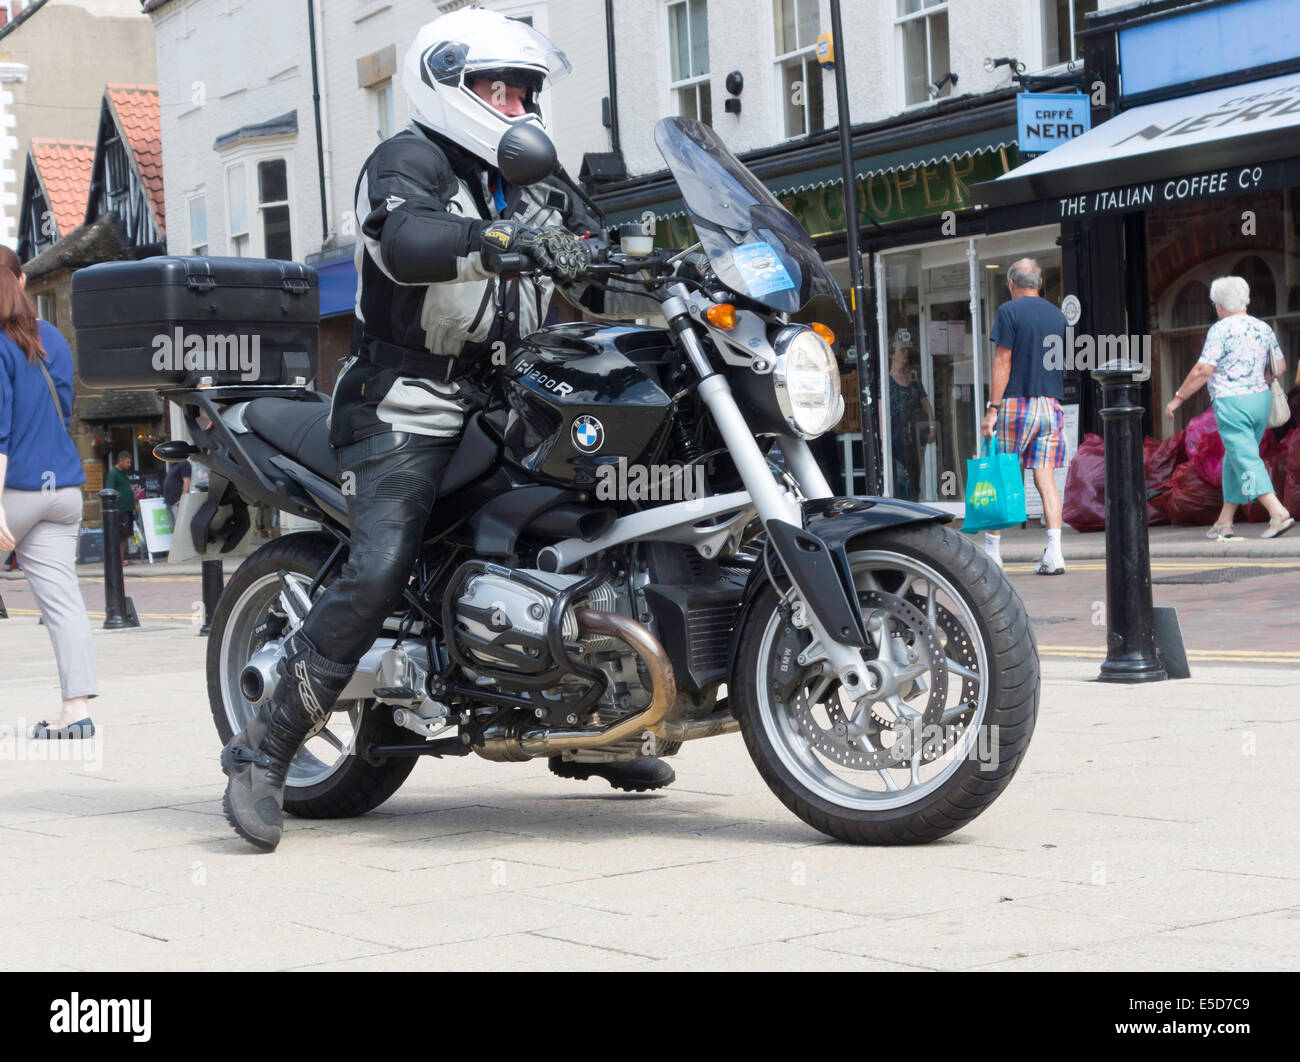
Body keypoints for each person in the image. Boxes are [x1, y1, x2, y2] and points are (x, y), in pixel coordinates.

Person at [221, 8, 673, 852]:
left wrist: (657, 264)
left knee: (598, 521)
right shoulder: (406, 160)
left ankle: (597, 723)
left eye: (527, 90)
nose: (516, 105)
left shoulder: (536, 175)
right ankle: (262, 751)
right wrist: (494, 239)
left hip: (507, 391)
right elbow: (405, 237)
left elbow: (595, 249)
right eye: (498, 87)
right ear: (448, 85)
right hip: (404, 401)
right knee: (383, 563)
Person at [0, 247, 98, 739]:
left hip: (13, 490)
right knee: (63, 602)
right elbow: (65, 408)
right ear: (20, 278)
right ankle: (76, 712)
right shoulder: (55, 337)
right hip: (63, 489)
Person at [1164, 275, 1294, 539]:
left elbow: (1203, 370)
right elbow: (1280, 367)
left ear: (1220, 306)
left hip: (1231, 403)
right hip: (1260, 401)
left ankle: (1277, 512)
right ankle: (1225, 521)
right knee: (1236, 457)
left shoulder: (1220, 330)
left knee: (1245, 457)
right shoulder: (1262, 328)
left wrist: (1178, 398)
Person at [981, 258, 1068, 574]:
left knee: (1002, 474)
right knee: (1045, 480)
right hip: (1050, 405)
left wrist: (993, 408)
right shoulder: (1057, 315)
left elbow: (1003, 363)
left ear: (1011, 285)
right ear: (1040, 282)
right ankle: (1055, 553)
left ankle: (992, 552)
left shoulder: (1008, 311)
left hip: (1016, 403)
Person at [887, 338, 934, 501]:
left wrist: (932, 428)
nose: (905, 353)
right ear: (892, 355)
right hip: (895, 433)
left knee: (915, 472)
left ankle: (914, 501)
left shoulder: (914, 380)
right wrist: (882, 441)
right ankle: (903, 505)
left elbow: (927, 406)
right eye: (901, 350)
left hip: (915, 432)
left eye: (906, 350)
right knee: (900, 474)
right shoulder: (886, 382)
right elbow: (881, 412)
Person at [103, 451, 138, 565]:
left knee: (125, 536)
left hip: (127, 509)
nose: (129, 465)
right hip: (119, 510)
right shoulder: (113, 473)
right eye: (127, 462)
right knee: (119, 536)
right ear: (120, 461)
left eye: (130, 462)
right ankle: (117, 560)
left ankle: (121, 559)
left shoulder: (124, 473)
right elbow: (110, 491)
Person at [162, 456, 191, 531]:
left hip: (177, 502)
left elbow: (186, 481)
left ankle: (181, 543)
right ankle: (175, 543)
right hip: (169, 502)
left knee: (180, 528)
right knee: (173, 527)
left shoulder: (184, 463)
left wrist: (183, 499)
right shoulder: (173, 466)